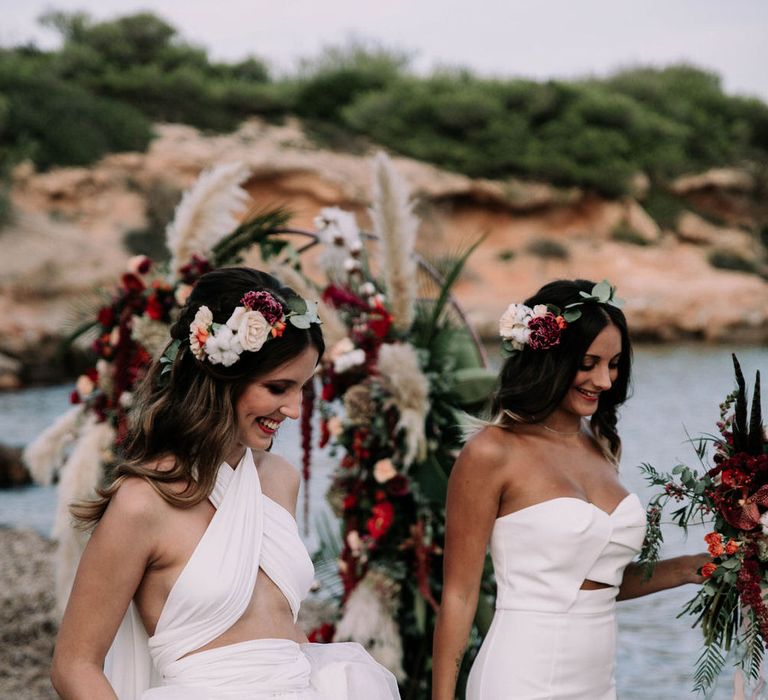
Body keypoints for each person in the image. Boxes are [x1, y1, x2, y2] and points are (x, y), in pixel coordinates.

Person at [51, 267, 400, 700]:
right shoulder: (142, 503)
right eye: (278, 388)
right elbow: (75, 664)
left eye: (302, 389)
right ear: (222, 377)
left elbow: (271, 624)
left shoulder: (278, 480)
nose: (293, 410)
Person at [432, 279, 708, 700]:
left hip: (598, 683)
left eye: (614, 364)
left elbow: (598, 582)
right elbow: (459, 594)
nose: (603, 380)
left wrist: (693, 567)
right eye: (587, 363)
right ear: (550, 359)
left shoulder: (602, 446)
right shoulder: (492, 452)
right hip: (520, 678)